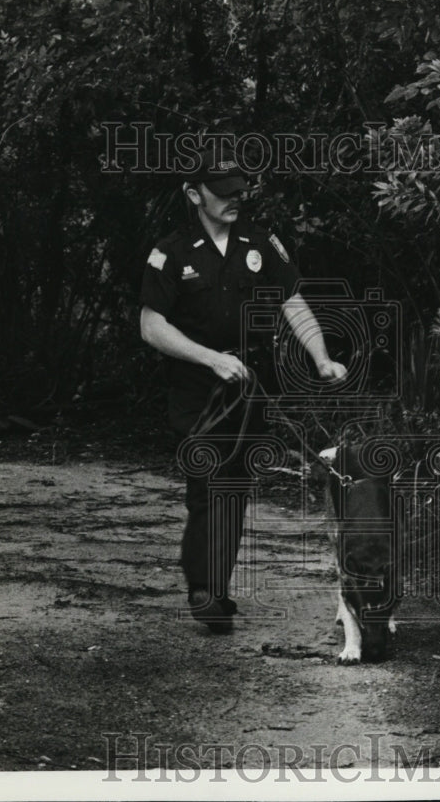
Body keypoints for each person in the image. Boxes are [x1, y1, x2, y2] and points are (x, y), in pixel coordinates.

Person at [140, 145, 346, 633]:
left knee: (233, 486)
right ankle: (203, 590)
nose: (236, 200)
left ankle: (216, 584)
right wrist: (210, 359)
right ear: (194, 194)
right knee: (207, 482)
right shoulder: (171, 251)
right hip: (197, 387)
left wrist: (321, 358)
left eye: (240, 192)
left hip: (251, 386)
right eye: (223, 193)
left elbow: (292, 302)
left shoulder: (260, 242)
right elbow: (151, 325)